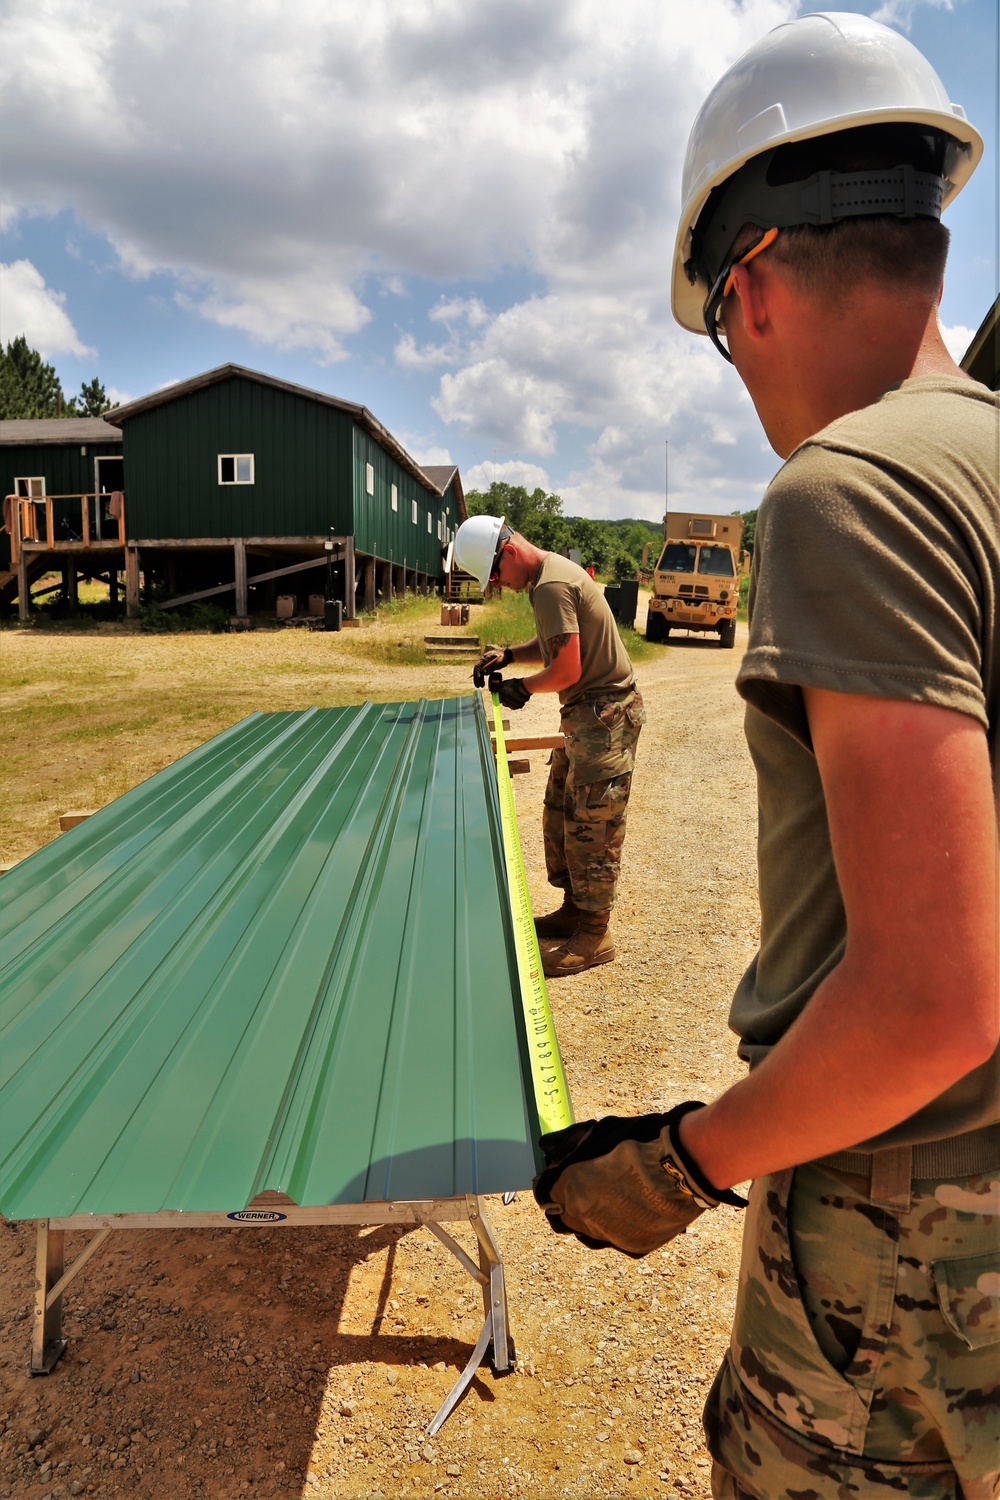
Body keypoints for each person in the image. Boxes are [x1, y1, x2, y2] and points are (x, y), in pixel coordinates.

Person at [533, 14, 999, 1499]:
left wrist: (678, 1162)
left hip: (904, 1234)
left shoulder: (849, 491)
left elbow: (931, 996)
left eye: (721, 334)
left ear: (750, 290)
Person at [453, 516, 645, 977]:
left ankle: (596, 933)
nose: (500, 585)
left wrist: (522, 687)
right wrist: (513, 655)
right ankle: (574, 911)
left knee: (593, 823)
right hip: (587, 714)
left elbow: (566, 671)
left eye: (496, 575)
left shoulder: (550, 586)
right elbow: (558, 645)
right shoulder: (549, 576)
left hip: (605, 715)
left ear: (509, 551)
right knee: (562, 811)